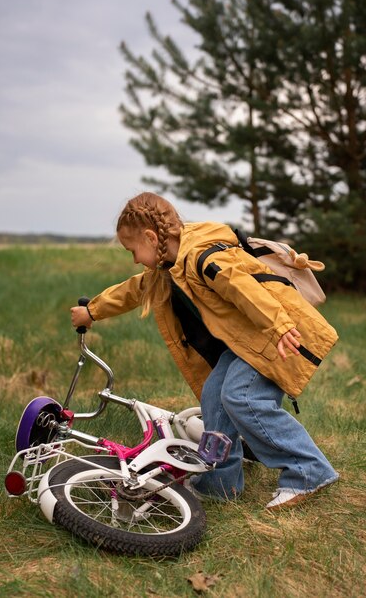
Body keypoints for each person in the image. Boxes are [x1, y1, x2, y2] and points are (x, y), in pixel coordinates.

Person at [71, 192, 339, 510]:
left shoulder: (204, 258)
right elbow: (134, 289)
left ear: (150, 237)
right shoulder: (168, 267)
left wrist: (278, 326)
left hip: (275, 334)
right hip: (247, 341)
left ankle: (308, 471)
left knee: (243, 397)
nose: (134, 259)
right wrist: (93, 311)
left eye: (133, 250)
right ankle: (219, 483)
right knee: (214, 396)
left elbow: (246, 289)